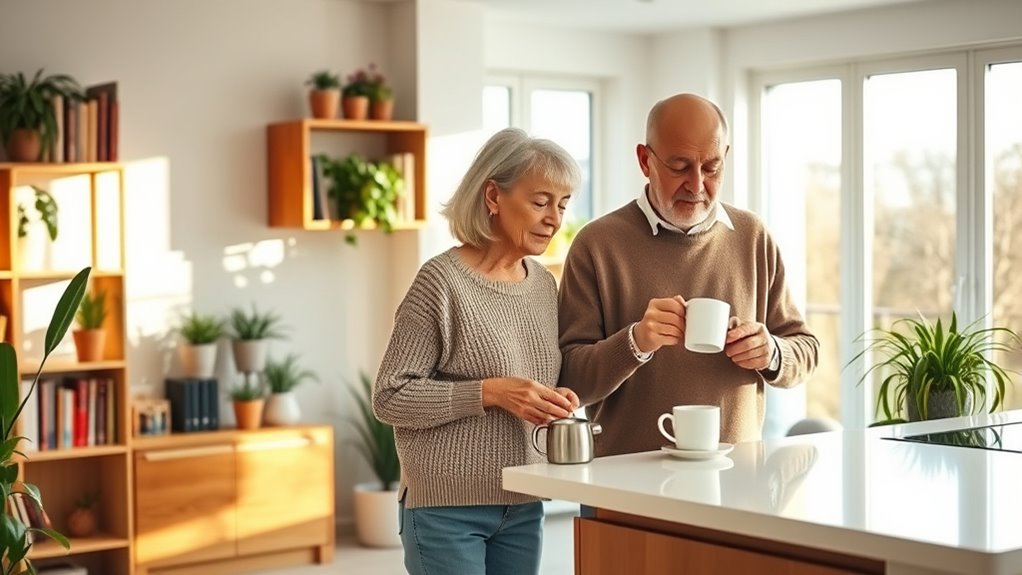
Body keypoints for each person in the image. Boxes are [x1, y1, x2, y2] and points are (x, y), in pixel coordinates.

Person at [558, 93, 819, 457]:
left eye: (711, 168)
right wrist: (634, 342)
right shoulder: (597, 245)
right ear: (645, 160)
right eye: (680, 167)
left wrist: (771, 352)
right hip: (623, 484)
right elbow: (568, 378)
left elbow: (806, 350)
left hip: (736, 482)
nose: (696, 185)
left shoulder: (753, 237)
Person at [373, 127, 582, 575]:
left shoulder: (544, 285)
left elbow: (540, 378)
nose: (554, 218)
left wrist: (554, 399)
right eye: (541, 201)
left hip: (522, 503)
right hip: (446, 509)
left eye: (562, 205)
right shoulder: (441, 283)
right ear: (493, 196)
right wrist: (490, 392)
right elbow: (390, 397)